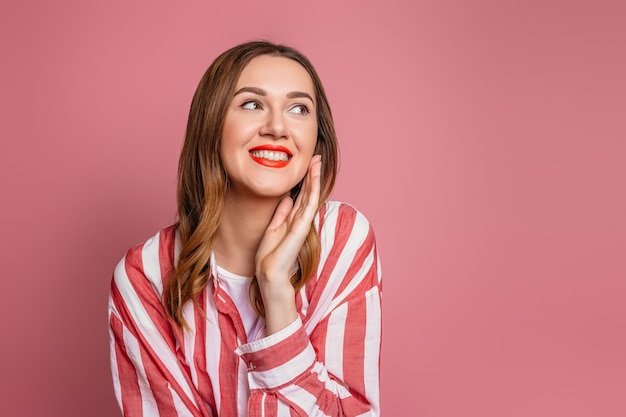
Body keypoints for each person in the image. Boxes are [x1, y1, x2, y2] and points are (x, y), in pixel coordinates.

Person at [108, 40, 382, 417]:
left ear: (316, 141)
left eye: (299, 108)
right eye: (252, 104)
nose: (276, 127)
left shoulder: (344, 241)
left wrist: (276, 292)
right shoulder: (146, 278)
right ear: (211, 124)